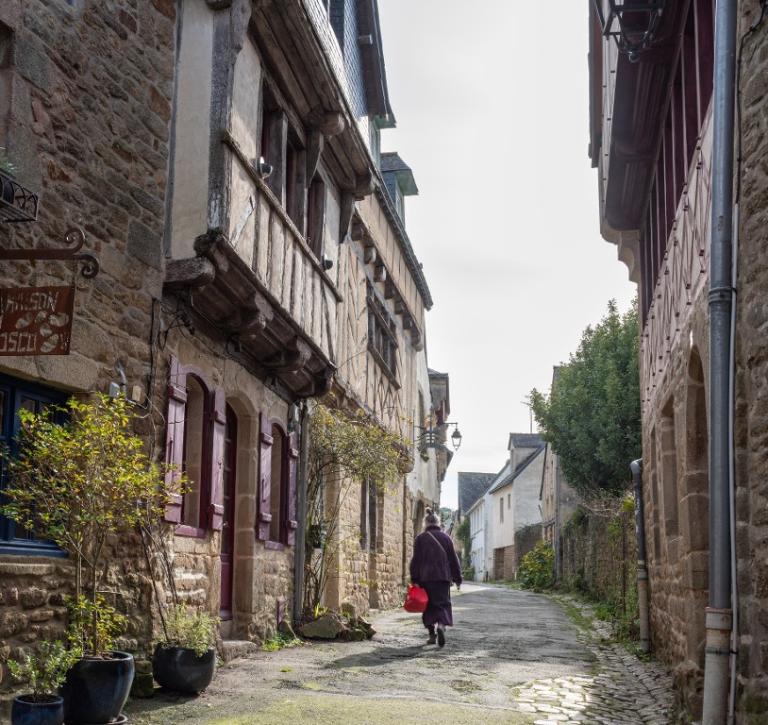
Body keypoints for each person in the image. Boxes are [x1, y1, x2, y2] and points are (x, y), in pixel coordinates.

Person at [409, 507, 462, 647]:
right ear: (438, 523)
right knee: (443, 604)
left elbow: (416, 561)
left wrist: (414, 579)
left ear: (425, 523)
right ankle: (441, 625)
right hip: (443, 578)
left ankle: (432, 635)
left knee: (428, 606)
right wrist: (457, 578)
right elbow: (453, 559)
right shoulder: (446, 538)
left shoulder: (420, 539)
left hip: (425, 578)